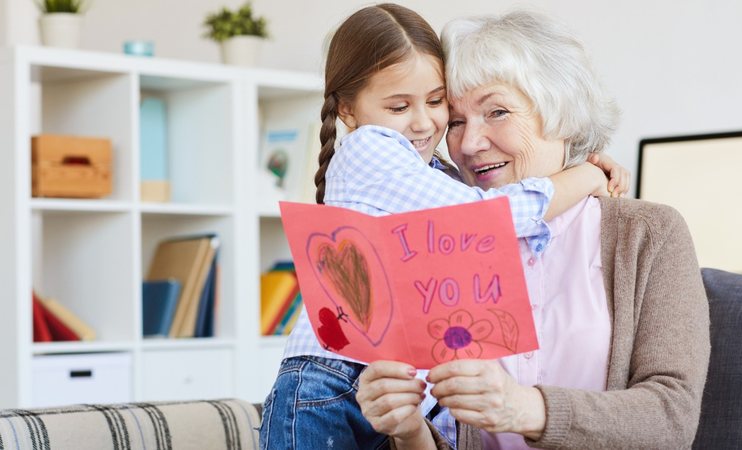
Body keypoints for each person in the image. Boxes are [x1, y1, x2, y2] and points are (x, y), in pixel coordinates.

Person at [258, 4, 629, 450]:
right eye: (399, 106)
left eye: (436, 103)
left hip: (387, 388)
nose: (423, 121)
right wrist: (584, 176)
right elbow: (487, 217)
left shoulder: (429, 172)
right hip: (333, 383)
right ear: (348, 110)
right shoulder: (369, 150)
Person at [355, 10, 710, 450]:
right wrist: (408, 430)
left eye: (497, 111)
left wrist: (523, 409)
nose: (468, 144)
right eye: (457, 121)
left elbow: (670, 419)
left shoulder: (648, 234)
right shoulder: (438, 239)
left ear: (561, 110)